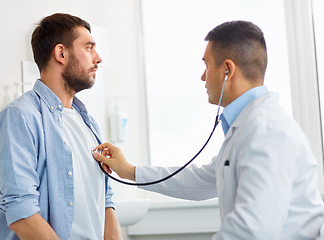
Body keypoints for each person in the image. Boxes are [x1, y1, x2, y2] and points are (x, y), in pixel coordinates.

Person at [93, 21, 324, 239]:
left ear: (227, 70)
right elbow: (201, 179)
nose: (202, 76)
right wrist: (131, 171)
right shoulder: (248, 127)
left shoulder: (266, 130)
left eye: (206, 64)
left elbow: (251, 230)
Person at [0, 13, 122, 240]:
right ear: (61, 53)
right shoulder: (19, 117)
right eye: (89, 48)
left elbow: (105, 200)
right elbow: (22, 213)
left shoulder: (89, 122)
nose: (98, 58)